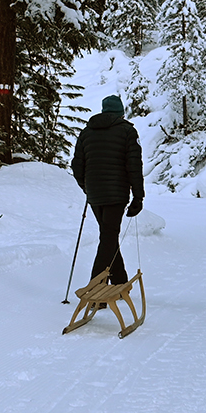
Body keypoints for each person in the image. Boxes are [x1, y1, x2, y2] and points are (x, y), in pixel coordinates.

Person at [70, 94, 145, 288]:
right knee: (108, 238)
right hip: (116, 194)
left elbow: (77, 166)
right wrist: (138, 197)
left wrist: (87, 187)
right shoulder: (127, 131)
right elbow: (134, 166)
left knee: (108, 236)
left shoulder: (87, 132)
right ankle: (96, 289)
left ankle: (120, 282)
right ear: (121, 113)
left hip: (95, 194)